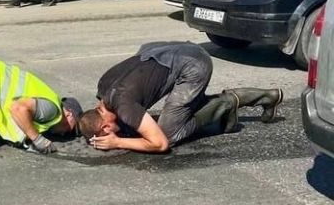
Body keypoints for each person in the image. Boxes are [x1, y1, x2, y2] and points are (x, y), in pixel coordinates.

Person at [78, 41, 283, 153]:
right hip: (170, 50)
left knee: (167, 134)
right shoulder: (104, 87)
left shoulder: (124, 106)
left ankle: (227, 103)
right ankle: (262, 98)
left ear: (105, 128)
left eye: (108, 134)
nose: (114, 135)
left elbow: (160, 144)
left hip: (193, 64)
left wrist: (118, 143)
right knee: (142, 124)